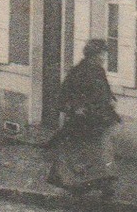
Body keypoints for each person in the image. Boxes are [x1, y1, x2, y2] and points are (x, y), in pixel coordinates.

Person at [47, 38, 121, 200]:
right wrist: (75, 108)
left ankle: (104, 186)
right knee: (80, 154)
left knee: (102, 152)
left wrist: (110, 102)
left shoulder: (98, 71)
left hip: (99, 119)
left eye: (104, 54)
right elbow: (64, 95)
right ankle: (78, 185)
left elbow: (104, 93)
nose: (104, 58)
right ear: (93, 55)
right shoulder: (78, 72)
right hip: (82, 121)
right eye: (102, 54)